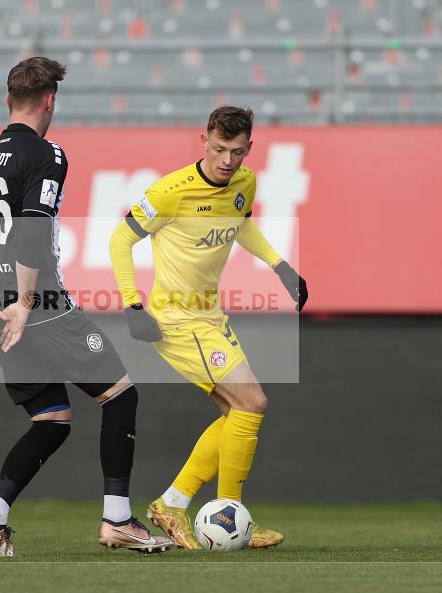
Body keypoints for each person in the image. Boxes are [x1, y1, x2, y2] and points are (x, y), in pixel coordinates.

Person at [0, 57, 171, 557]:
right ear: (50, 100)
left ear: (9, 101)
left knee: (51, 419)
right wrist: (25, 306)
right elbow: (30, 232)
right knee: (120, 396)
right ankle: (118, 520)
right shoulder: (47, 154)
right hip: (37, 306)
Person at [108, 106, 307, 549]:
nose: (226, 160)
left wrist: (280, 266)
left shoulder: (245, 182)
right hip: (176, 319)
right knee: (253, 402)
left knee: (239, 413)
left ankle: (172, 504)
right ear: (204, 141)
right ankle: (228, 515)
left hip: (210, 317)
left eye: (236, 152)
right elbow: (120, 239)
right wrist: (132, 306)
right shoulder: (169, 191)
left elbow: (240, 224)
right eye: (219, 149)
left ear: (249, 148)